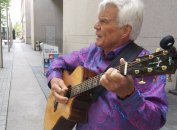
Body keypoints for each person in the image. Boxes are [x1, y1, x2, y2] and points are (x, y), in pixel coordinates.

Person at [46, 0, 168, 129]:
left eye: (103, 21)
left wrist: (129, 95)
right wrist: (55, 78)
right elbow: (58, 61)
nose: (96, 26)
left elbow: (155, 122)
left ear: (125, 30)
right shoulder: (91, 52)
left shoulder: (148, 65)